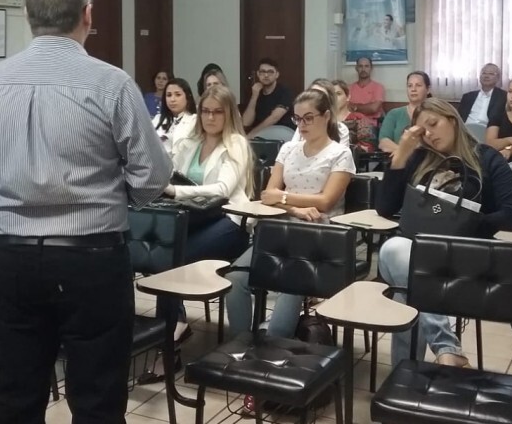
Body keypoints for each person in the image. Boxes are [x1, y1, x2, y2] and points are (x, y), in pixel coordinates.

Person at [0, 0, 172, 424]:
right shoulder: (111, 84)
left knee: (16, 398)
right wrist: (109, 195)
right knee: (97, 402)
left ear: (27, 15)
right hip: (93, 259)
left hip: (11, 259)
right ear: (88, 14)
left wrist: (12, 167)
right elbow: (152, 178)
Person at [225, 88, 355, 415]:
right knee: (236, 280)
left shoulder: (339, 154)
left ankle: (265, 370)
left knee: (289, 288)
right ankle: (248, 355)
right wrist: (294, 208)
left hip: (320, 238)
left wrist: (286, 199)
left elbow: (326, 203)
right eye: (298, 118)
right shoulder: (288, 148)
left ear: (327, 116)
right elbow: (268, 193)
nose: (303, 124)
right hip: (284, 229)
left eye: (309, 117)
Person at [376, 98, 512, 367]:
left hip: (461, 257)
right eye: (422, 131)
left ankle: (404, 376)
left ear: (452, 120)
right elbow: (385, 208)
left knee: (407, 291)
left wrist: (467, 223)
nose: (429, 135)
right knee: (397, 249)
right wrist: (401, 156)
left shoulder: (487, 158)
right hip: (411, 250)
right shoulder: (418, 158)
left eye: (433, 124)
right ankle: (446, 347)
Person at [138, 86, 255, 384]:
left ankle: (169, 339)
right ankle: (170, 330)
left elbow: (223, 191)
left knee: (171, 259)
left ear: (229, 113)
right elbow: (168, 173)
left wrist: (176, 190)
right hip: (193, 218)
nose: (210, 117)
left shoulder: (236, 143)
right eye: (205, 111)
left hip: (230, 222)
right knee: (162, 254)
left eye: (218, 111)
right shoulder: (189, 142)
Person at [241, 58, 295, 141]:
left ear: (277, 74)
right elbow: (246, 122)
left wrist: (252, 134)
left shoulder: (284, 91)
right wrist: (254, 96)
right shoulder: (254, 92)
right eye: (262, 72)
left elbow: (274, 117)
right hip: (261, 136)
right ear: (258, 74)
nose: (266, 75)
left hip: (283, 133)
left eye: (270, 72)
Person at [379, 70, 431, 155]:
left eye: (418, 85)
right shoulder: (394, 114)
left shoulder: (435, 115)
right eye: (410, 86)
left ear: (428, 89)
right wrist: (403, 153)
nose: (413, 89)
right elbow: (383, 142)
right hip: (399, 161)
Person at [288, 78, 350, 146]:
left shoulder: (340, 129)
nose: (315, 100)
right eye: (312, 95)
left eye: (320, 97)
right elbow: (292, 151)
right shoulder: (302, 124)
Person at [151, 78, 198, 155]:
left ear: (188, 97)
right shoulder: (157, 120)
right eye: (169, 95)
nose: (172, 99)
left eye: (178, 95)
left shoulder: (195, 121)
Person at [334, 79, 377, 152]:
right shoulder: (323, 119)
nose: (334, 97)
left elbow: (367, 147)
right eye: (331, 94)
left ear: (348, 97)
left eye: (338, 94)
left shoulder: (359, 118)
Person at [347, 57, 385, 128]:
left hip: (371, 124)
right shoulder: (349, 88)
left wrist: (354, 107)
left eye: (366, 66)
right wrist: (366, 106)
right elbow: (346, 107)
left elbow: (373, 108)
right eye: (360, 66)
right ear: (356, 68)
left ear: (371, 68)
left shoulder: (378, 87)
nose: (363, 69)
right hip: (351, 123)